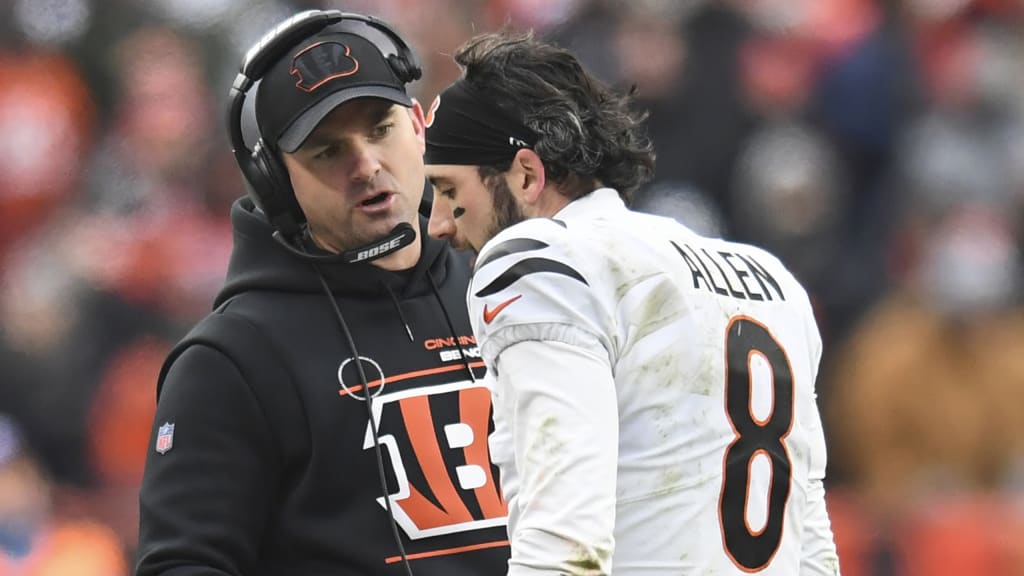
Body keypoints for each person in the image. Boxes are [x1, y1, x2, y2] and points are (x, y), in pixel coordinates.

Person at [423, 31, 841, 575]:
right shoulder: (770, 278)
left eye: (451, 192)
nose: (437, 225)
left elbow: (567, 540)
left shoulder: (537, 258)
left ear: (526, 174)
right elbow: (812, 550)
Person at [136, 10, 510, 576]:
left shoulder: (501, 285)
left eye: (380, 129)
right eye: (328, 151)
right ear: (277, 183)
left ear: (417, 124)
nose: (365, 165)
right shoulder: (231, 360)